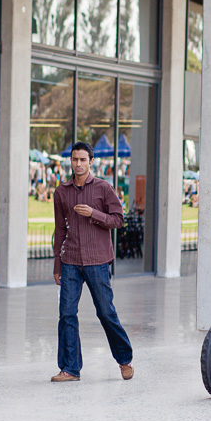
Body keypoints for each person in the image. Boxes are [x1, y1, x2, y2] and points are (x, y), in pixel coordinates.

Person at [50, 142, 135, 383]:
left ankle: (124, 359)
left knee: (106, 313)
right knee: (66, 314)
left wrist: (93, 214)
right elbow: (59, 229)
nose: (78, 164)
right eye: (74, 159)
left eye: (82, 160)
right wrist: (57, 264)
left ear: (91, 161)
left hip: (98, 261)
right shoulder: (61, 192)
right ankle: (70, 368)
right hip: (70, 261)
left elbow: (118, 220)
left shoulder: (103, 188)